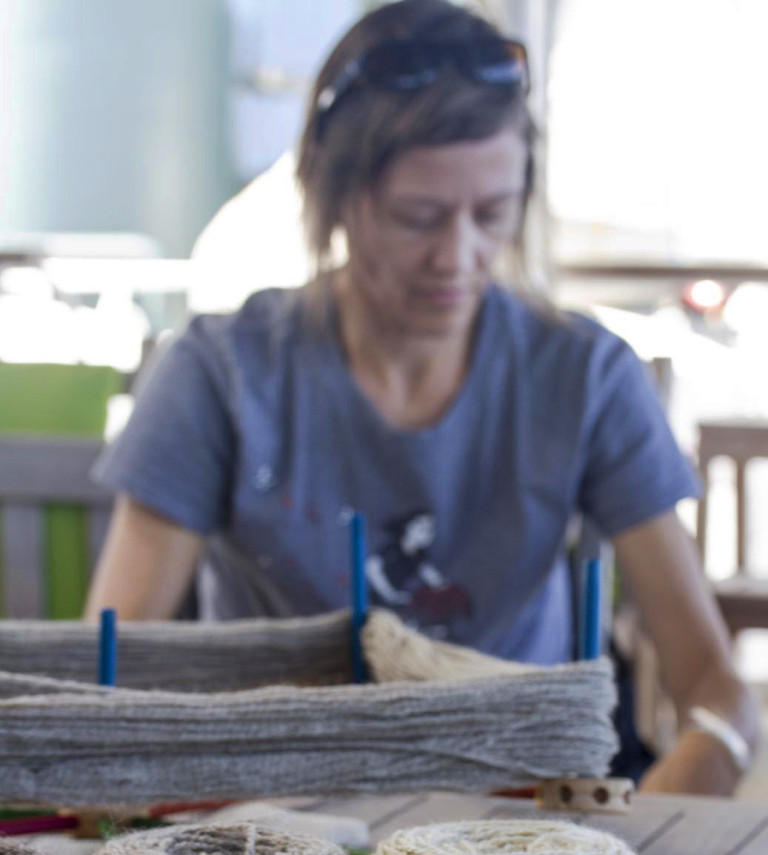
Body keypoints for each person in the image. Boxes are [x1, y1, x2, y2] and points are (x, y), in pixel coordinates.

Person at [86, 0, 757, 795]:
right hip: (276, 826)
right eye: (418, 217)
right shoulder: (222, 373)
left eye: (493, 214)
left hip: (521, 828)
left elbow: (716, 691)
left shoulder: (584, 375)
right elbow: (113, 683)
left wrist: (652, 836)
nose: (460, 256)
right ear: (332, 196)